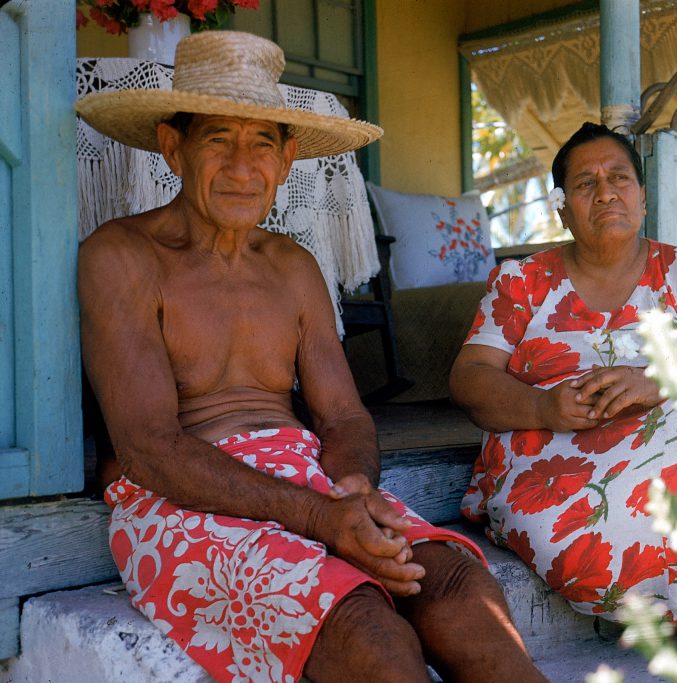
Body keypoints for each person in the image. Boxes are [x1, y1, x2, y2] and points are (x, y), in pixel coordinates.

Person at [76, 31, 547, 683]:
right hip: (178, 501)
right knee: (368, 634)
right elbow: (151, 448)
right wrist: (321, 517)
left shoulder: (293, 266)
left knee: (459, 589)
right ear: (172, 146)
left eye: (261, 143)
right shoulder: (122, 256)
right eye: (218, 139)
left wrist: (352, 489)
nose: (243, 166)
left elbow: (345, 416)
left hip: (309, 481)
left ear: (288, 156)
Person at [450, 122, 677, 663]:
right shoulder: (521, 282)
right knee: (575, 540)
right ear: (563, 208)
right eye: (586, 184)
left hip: (666, 444)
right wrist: (544, 405)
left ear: (642, 197)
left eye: (619, 178)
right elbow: (469, 377)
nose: (607, 192)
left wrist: (655, 383)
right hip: (548, 458)